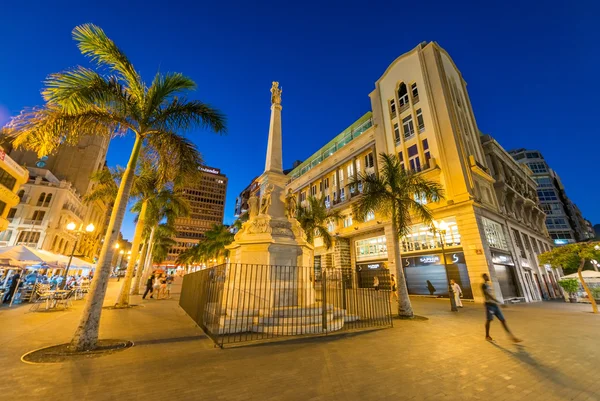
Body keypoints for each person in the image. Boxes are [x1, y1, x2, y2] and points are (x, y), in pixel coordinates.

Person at [482, 273, 521, 342]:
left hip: (495, 305)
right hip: (489, 305)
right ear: (484, 277)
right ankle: (487, 335)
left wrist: (497, 303)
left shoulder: (488, 285)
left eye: (487, 276)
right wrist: (499, 302)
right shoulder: (483, 285)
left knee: (503, 320)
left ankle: (512, 337)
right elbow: (488, 295)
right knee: (489, 320)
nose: (488, 277)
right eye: (486, 276)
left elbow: (491, 294)